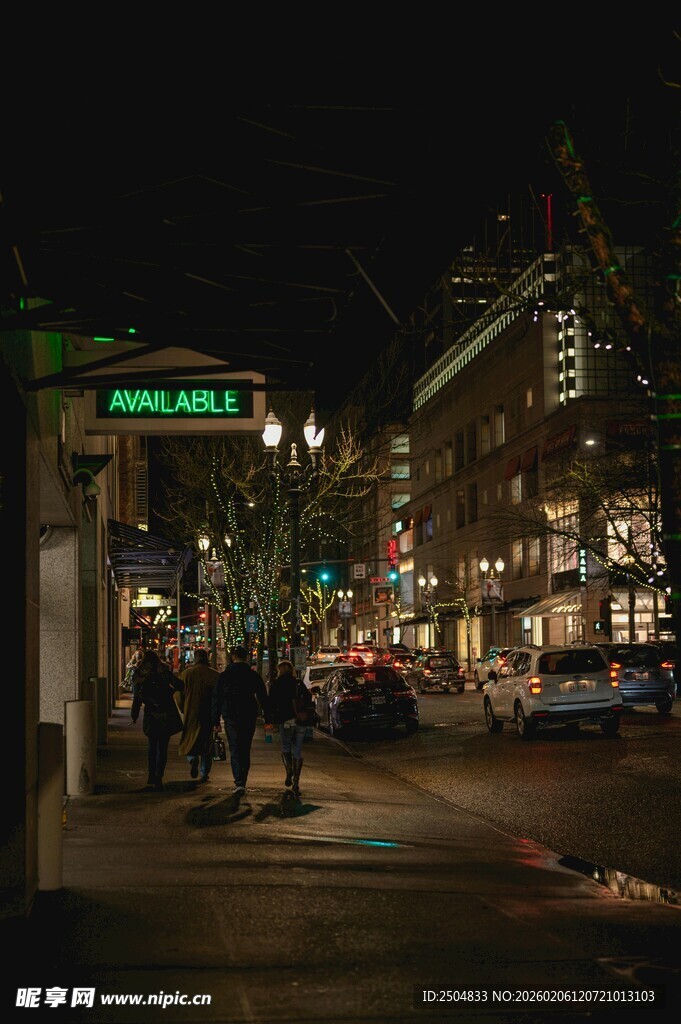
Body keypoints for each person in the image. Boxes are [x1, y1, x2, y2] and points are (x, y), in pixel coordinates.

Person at [211, 645, 270, 796]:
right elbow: (262, 696)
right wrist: (268, 717)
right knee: (245, 746)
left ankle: (239, 780)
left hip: (230, 715)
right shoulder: (252, 675)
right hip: (248, 714)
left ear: (232, 657)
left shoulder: (225, 676)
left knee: (235, 747)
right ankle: (243, 778)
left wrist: (215, 720)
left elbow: (217, 698)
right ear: (246, 657)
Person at [130, 650, 184, 791]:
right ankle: (159, 777)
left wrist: (134, 714)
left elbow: (137, 697)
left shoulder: (140, 673)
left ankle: (151, 776)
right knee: (163, 747)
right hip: (165, 712)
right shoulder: (163, 671)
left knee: (152, 745)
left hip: (151, 712)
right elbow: (179, 685)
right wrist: (169, 691)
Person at [178, 648, 219, 784]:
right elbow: (219, 697)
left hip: (191, 711)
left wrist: (183, 707)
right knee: (207, 743)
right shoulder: (214, 675)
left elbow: (178, 694)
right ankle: (204, 772)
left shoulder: (186, 674)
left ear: (195, 658)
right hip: (208, 713)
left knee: (190, 739)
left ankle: (192, 758)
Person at [268, 659, 307, 795]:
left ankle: (289, 771)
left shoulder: (277, 684)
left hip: (285, 720)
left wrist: (270, 722)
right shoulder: (298, 683)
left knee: (285, 747)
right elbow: (307, 698)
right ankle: (296, 780)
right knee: (298, 749)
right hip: (300, 721)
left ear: (280, 670)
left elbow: (270, 704)